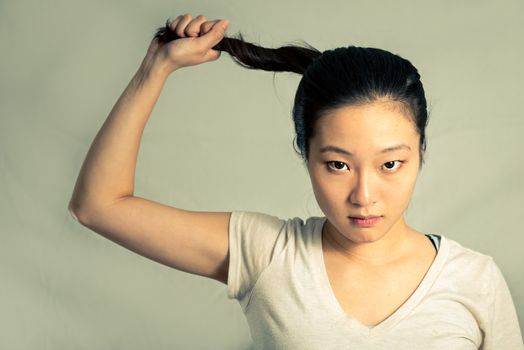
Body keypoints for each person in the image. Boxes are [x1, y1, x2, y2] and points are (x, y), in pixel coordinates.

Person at [68, 13, 523, 349]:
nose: (364, 196)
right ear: (306, 156)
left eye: (390, 165)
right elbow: (98, 205)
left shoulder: (474, 279)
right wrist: (156, 69)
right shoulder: (266, 253)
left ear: (420, 154)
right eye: (338, 165)